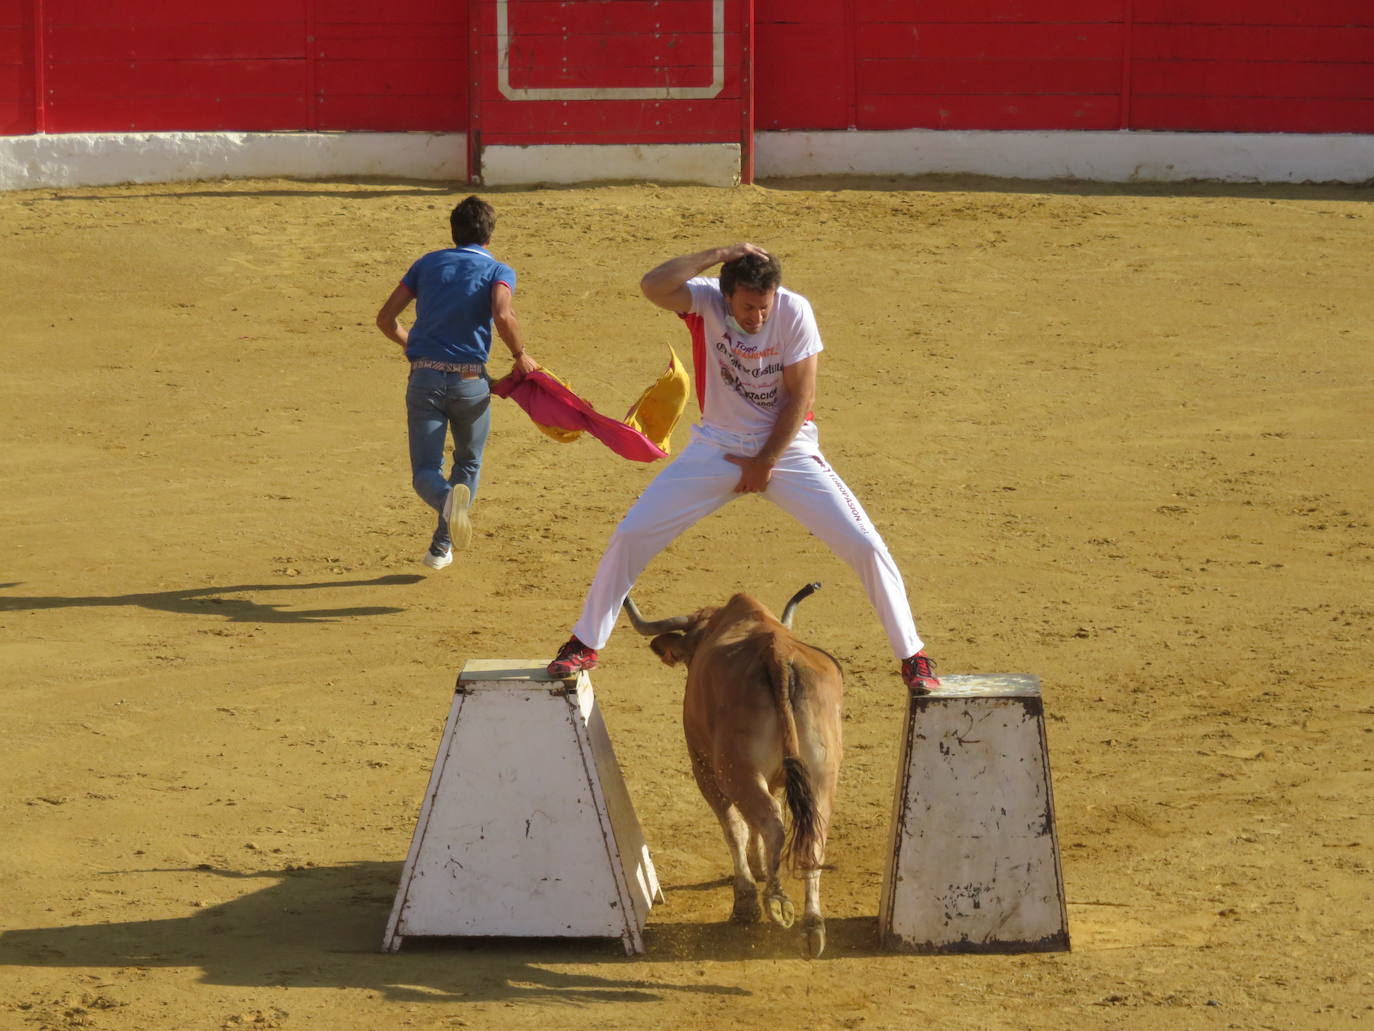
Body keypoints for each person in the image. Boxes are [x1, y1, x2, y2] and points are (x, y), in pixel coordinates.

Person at [545, 244, 940, 693]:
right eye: (748, 307)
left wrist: (765, 461)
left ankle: (914, 657)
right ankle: (584, 642)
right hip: (715, 446)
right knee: (633, 533)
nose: (757, 318)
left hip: (787, 452)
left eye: (764, 307)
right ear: (726, 293)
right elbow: (652, 285)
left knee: (865, 544)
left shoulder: (794, 311)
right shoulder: (705, 299)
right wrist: (719, 253)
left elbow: (800, 397)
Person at [376, 196, 539, 571]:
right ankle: (443, 540)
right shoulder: (499, 270)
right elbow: (502, 313)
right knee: (468, 462)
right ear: (489, 234)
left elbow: (386, 319)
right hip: (470, 382)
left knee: (425, 473)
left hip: (425, 378)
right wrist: (520, 355)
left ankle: (443, 534)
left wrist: (412, 347)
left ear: (453, 232)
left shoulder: (426, 264)